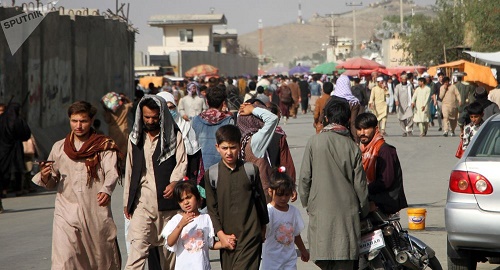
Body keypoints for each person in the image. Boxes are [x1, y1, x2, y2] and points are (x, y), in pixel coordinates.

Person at [32, 101, 121, 269]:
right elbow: (52, 181)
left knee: (101, 258)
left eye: (83, 121)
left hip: (95, 208)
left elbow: (112, 172)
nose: (78, 126)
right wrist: (45, 176)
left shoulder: (103, 146)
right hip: (66, 211)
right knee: (64, 260)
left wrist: (106, 190)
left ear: (91, 120)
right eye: (74, 121)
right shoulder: (59, 147)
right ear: (69, 120)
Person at [299, 99, 369, 270]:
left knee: (323, 254)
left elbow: (304, 179)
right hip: (347, 213)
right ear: (346, 119)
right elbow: (360, 185)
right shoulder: (352, 146)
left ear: (327, 118)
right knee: (344, 253)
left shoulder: (314, 142)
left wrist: (307, 203)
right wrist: (365, 210)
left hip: (320, 210)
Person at [123, 95, 187, 270]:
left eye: (154, 117)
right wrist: (126, 201)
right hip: (142, 203)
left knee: (169, 255)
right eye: (146, 117)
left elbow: (182, 162)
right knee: (136, 251)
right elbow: (129, 170)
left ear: (162, 115)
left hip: (169, 207)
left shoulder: (174, 136)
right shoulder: (135, 138)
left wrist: (174, 183)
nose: (150, 121)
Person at [204, 124, 268, 269]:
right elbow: (212, 209)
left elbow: (260, 201)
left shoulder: (250, 170)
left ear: (239, 146)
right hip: (228, 238)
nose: (229, 153)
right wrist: (221, 236)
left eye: (233, 147)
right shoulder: (213, 174)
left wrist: (262, 228)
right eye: (224, 148)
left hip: (250, 235)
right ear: (217, 147)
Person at [161, 181, 228, 270]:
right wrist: (180, 225)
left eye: (188, 197)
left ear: (197, 197)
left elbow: (210, 244)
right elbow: (170, 242)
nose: (186, 202)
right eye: (181, 200)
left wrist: (225, 243)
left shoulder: (206, 218)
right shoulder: (176, 219)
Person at [355, 112, 408, 215]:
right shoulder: (362, 150)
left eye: (366, 129)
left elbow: (386, 181)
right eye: (359, 129)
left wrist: (363, 189)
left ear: (376, 129)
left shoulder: (384, 150)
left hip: (386, 199)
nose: (362, 133)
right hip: (372, 195)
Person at [261, 167, 309, 270]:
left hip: (289, 261)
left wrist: (303, 250)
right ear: (270, 191)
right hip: (271, 262)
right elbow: (261, 234)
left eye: (287, 194)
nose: (283, 198)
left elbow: (296, 234)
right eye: (279, 194)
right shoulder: (268, 211)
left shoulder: (293, 212)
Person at [237, 101, 279, 202]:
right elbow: (273, 119)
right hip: (262, 195)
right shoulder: (256, 140)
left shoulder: (243, 138)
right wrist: (252, 109)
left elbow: (240, 116)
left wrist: (244, 109)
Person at [157, 91, 202, 182]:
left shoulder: (185, 126)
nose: (168, 111)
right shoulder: (153, 129)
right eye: (165, 108)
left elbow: (194, 152)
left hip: (183, 174)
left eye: (171, 107)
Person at [191, 87, 234, 169]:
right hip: (222, 167)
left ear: (207, 102)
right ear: (223, 103)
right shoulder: (229, 121)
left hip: (200, 167)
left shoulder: (195, 120)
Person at [0, 102, 31, 211]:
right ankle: (16, 188)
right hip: (15, 148)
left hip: (2, 149)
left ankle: (4, 190)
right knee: (16, 168)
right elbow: (26, 134)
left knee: (3, 170)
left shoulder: (2, 120)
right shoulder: (17, 121)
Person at [332, 74, 362, 141]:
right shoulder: (354, 101)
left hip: (335, 133)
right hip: (350, 133)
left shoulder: (332, 100)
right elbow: (353, 122)